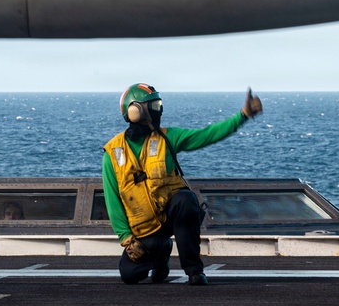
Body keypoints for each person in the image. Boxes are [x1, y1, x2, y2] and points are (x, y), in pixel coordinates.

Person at [102, 83, 262, 285]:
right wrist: (127, 239)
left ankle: (194, 271)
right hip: (144, 230)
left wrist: (243, 115)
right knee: (130, 276)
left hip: (171, 215)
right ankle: (162, 251)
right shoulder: (113, 154)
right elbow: (112, 200)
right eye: (154, 105)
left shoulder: (167, 138)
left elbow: (206, 135)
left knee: (186, 199)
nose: (159, 110)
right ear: (136, 111)